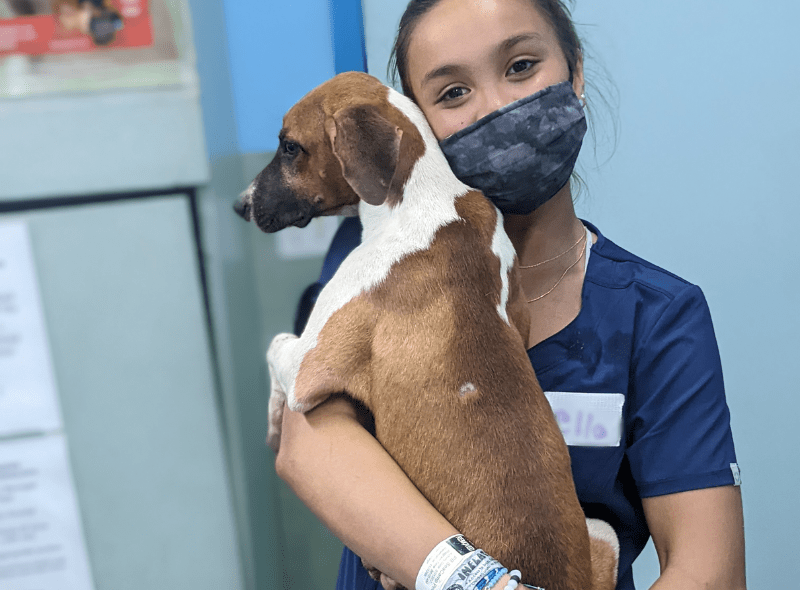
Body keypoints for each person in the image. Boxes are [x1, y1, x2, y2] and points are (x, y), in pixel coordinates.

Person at [275, 1, 747, 589]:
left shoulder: (657, 316)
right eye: (451, 94)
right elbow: (311, 444)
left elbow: (711, 573)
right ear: (414, 122)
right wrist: (479, 582)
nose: (497, 106)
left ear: (573, 72)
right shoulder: (371, 264)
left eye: (521, 66)